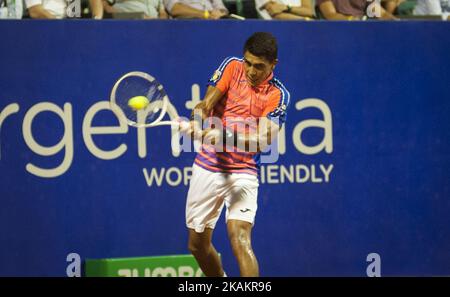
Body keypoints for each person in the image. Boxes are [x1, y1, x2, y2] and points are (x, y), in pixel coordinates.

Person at [179, 32, 290, 277]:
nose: (251, 70)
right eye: (248, 63)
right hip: (207, 166)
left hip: (243, 172)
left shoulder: (277, 95)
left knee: (240, 238)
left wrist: (224, 136)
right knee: (196, 245)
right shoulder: (232, 66)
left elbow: (261, 142)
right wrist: (197, 122)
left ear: (273, 65)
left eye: (259, 66)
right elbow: (205, 105)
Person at [26, 0, 103, 19]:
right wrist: (61, 27)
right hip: (45, 27)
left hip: (74, 25)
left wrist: (96, 21)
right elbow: (35, 11)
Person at [163, 0, 228, 19]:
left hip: (215, 21)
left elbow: (222, 8)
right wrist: (205, 14)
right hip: (188, 24)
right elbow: (174, 9)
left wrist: (220, 13)